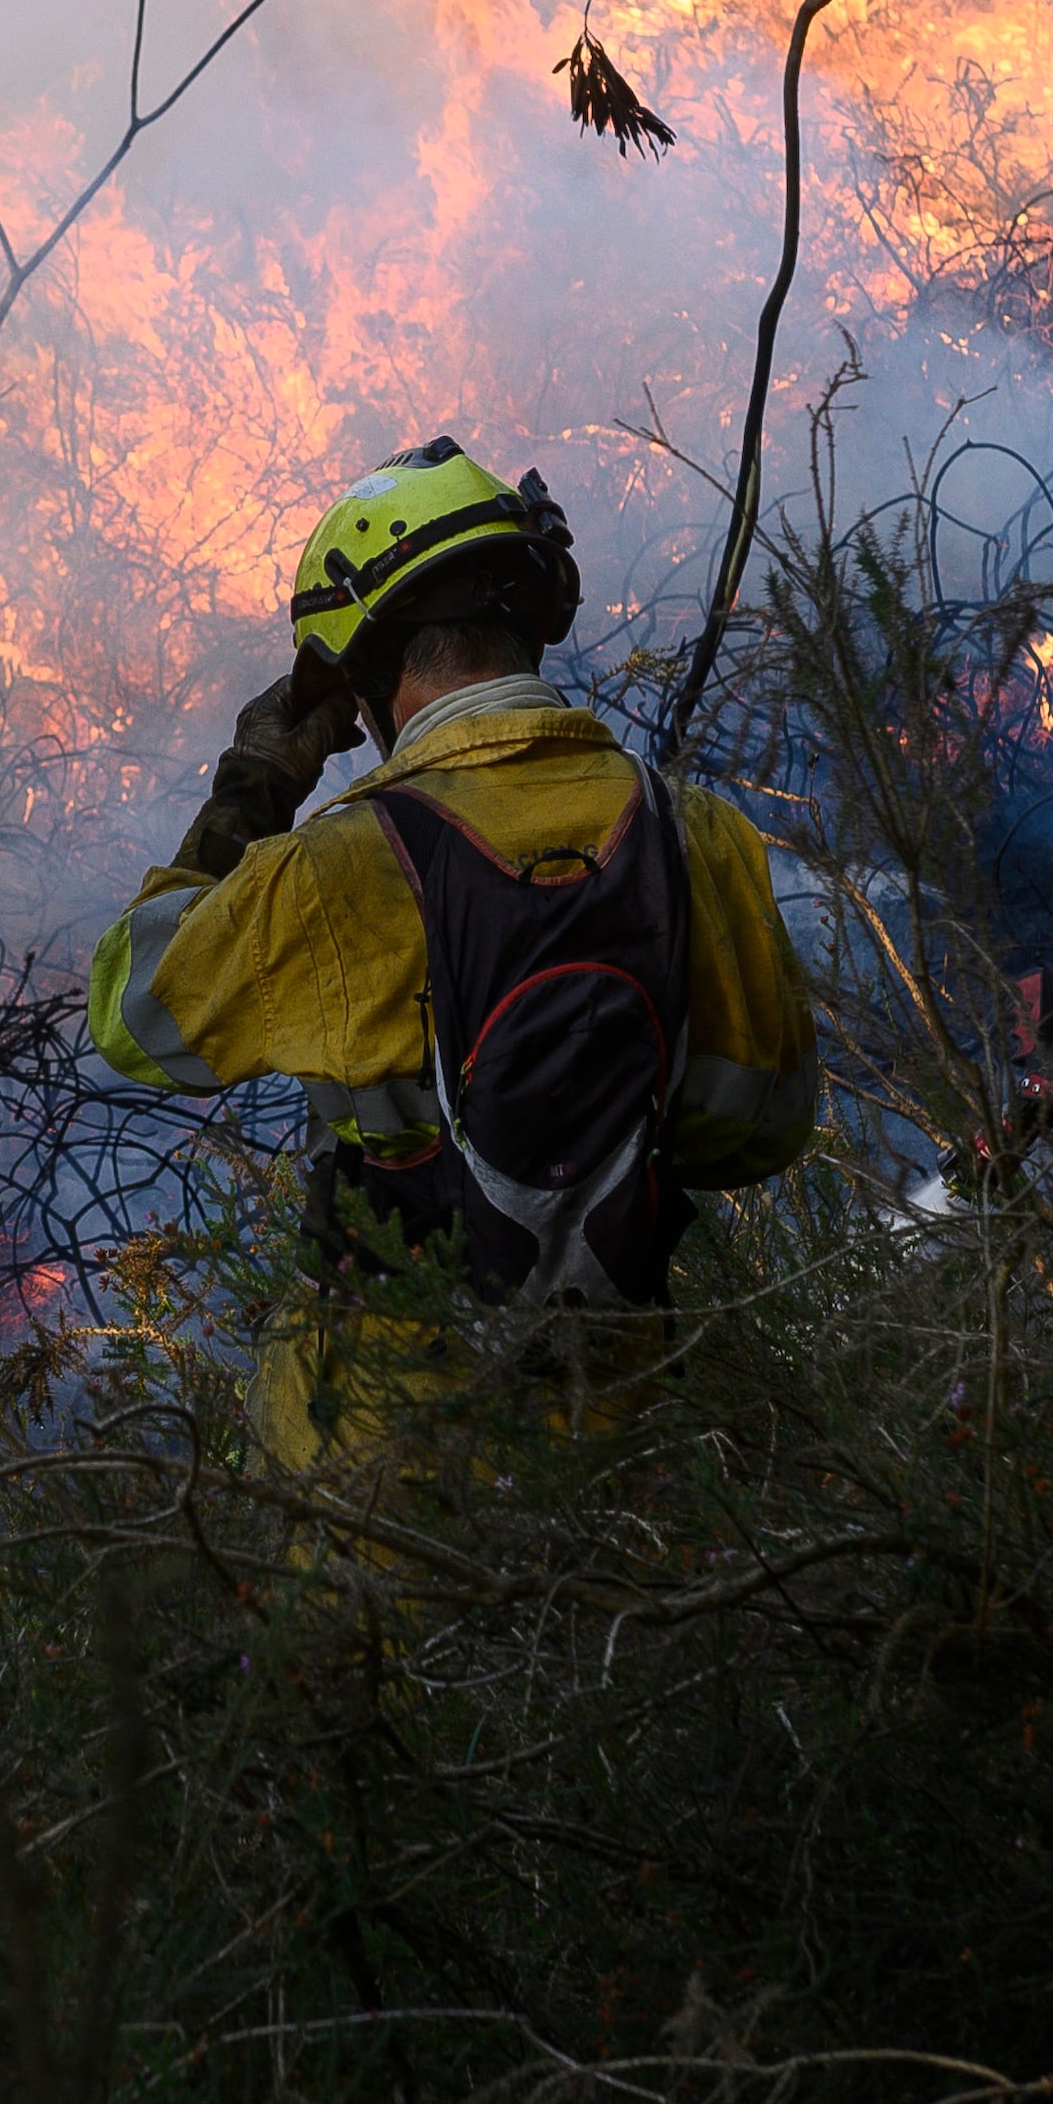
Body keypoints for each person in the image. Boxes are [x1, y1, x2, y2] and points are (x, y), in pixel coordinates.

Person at [86, 436, 822, 1476]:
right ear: (528, 621)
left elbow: (128, 1017)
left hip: (381, 1474)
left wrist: (252, 785)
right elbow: (761, 1133)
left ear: (367, 670)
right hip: (619, 1456)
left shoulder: (335, 868)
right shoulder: (694, 833)